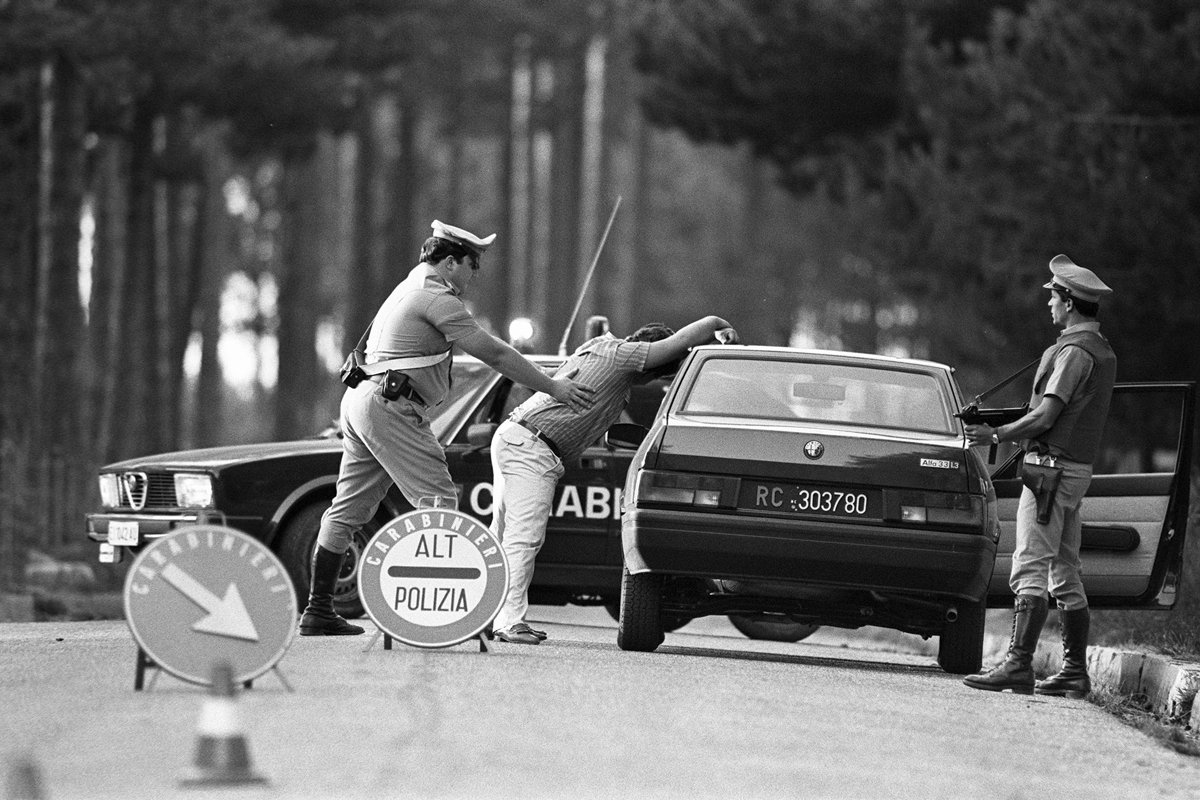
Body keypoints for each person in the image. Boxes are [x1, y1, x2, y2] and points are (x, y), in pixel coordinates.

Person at [299, 220, 596, 636]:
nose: (476, 274)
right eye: (473, 265)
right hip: (391, 407)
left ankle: (317, 610)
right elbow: (494, 353)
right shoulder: (437, 299)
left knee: (347, 510)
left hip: (365, 401)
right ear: (451, 262)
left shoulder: (406, 289)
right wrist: (553, 387)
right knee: (438, 501)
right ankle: (435, 617)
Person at [488, 315, 739, 644]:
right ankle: (509, 622)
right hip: (533, 447)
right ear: (647, 362)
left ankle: (487, 614)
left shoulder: (600, 347)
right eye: (656, 372)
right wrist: (716, 325)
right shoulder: (625, 356)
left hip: (516, 435)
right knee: (523, 539)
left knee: (501, 534)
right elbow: (676, 343)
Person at [962, 254, 1117, 695]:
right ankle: (1073, 671)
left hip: (1050, 472)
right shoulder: (1100, 350)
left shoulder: (1073, 353)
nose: (1048, 305)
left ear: (1069, 303)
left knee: (1029, 564)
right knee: (1066, 570)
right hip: (1073, 472)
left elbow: (1047, 415)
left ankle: (1017, 665)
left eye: (1053, 297)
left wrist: (996, 436)